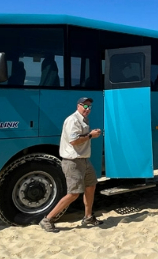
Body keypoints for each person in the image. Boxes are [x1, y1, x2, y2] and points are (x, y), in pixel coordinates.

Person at [39, 97, 103, 233]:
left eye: (90, 107)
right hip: (72, 161)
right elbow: (74, 141)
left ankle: (88, 216)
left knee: (91, 186)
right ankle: (47, 219)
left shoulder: (83, 120)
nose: (88, 109)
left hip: (84, 160)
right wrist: (91, 135)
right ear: (78, 106)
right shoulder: (73, 120)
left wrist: (90, 134)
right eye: (85, 106)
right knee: (74, 193)